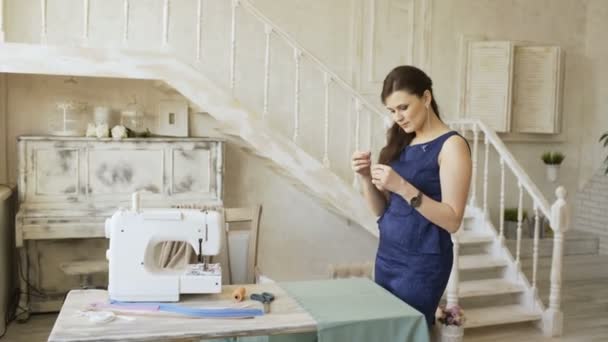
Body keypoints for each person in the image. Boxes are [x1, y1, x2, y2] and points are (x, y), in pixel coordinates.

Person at [351, 65, 472, 327]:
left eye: (403, 107)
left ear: (426, 98)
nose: (398, 117)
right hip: (387, 255)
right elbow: (382, 211)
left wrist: (403, 186)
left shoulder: (452, 146)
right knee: (385, 331)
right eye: (392, 111)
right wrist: (364, 177)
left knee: (407, 332)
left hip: (423, 264)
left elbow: (452, 220)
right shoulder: (401, 142)